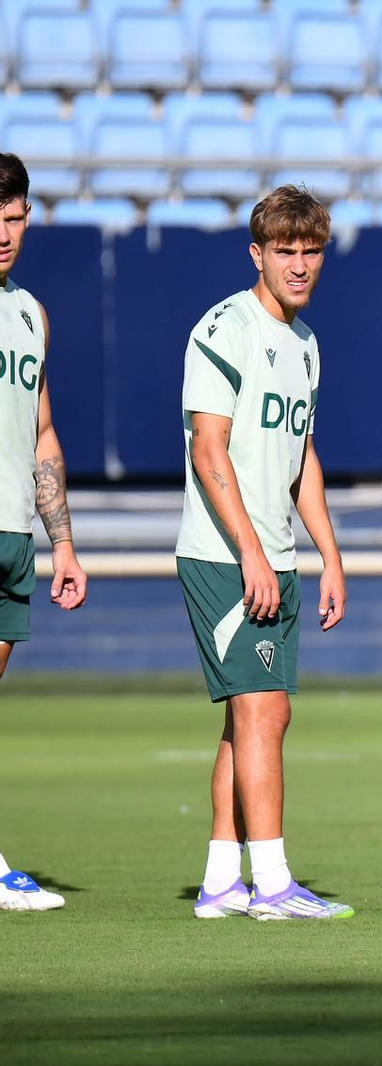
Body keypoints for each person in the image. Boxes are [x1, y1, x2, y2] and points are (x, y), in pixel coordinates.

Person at [178, 185, 350, 920]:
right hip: (225, 557)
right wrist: (250, 550)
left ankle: (222, 881)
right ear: (258, 253)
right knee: (264, 713)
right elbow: (207, 447)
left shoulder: (306, 344)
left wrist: (331, 556)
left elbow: (300, 459)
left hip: (275, 556)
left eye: (311, 251)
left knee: (245, 719)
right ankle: (273, 884)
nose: (300, 264)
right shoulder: (225, 328)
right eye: (285, 250)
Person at [0, 152, 88, 914]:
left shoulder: (32, 314)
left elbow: (44, 434)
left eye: (15, 217)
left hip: (13, 533)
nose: (4, 233)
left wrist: (61, 541)